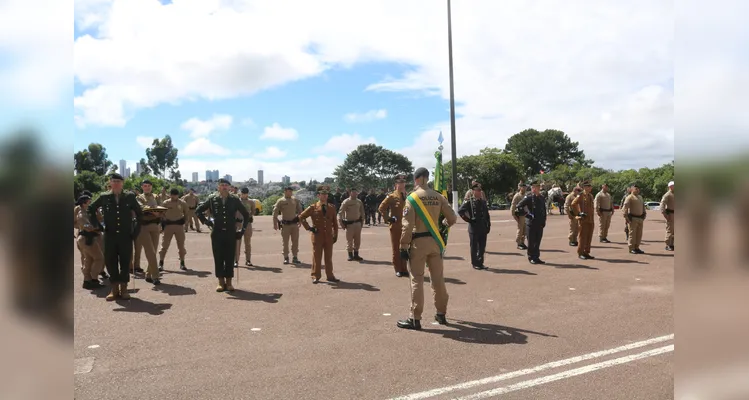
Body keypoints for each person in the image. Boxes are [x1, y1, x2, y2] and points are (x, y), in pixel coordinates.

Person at [396, 167, 457, 330]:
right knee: (438, 279)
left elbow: (407, 226)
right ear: (427, 178)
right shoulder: (438, 196)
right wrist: (443, 225)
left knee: (417, 279)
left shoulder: (412, 198)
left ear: (416, 179)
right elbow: (452, 218)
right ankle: (441, 313)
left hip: (418, 243)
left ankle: (415, 318)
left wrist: (403, 245)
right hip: (435, 242)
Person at [87, 173, 143, 300]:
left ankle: (124, 289)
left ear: (122, 183)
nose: (116, 183)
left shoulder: (129, 197)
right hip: (110, 235)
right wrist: (98, 225)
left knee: (125, 262)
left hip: (125, 235)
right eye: (114, 181)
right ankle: (114, 289)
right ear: (110, 183)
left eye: (118, 181)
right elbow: (91, 208)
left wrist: (136, 232)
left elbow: (140, 214)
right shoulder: (104, 196)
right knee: (111, 262)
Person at [195, 178, 251, 292]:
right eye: (222, 185)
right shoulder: (212, 199)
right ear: (218, 187)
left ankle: (229, 281)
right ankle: (220, 281)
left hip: (231, 232)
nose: (224, 187)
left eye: (226, 185)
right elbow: (198, 210)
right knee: (218, 257)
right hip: (217, 232)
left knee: (230, 257)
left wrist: (242, 230)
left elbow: (246, 215)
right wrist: (206, 222)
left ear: (230, 188)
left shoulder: (234, 200)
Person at [298, 185, 340, 284]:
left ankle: (330, 276)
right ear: (318, 195)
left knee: (328, 257)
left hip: (328, 236)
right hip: (317, 236)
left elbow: (335, 223)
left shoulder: (332, 208)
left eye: (326, 194)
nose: (325, 196)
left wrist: (335, 235)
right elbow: (301, 216)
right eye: (322, 194)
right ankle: (315, 276)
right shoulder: (313, 207)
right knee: (317, 257)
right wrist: (309, 228)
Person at [378, 174, 410, 277]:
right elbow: (381, 208)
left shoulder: (408, 196)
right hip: (396, 226)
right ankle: (397, 269)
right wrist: (388, 219)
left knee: (405, 248)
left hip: (406, 226)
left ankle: (404, 268)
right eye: (399, 182)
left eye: (403, 182)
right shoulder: (392, 196)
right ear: (396, 184)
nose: (402, 184)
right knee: (396, 248)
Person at [75, 195, 105, 289]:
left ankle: (87, 281)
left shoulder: (90, 212)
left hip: (91, 238)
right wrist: (98, 227)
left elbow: (100, 219)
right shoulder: (81, 213)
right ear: (84, 204)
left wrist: (97, 211)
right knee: (99, 258)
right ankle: (94, 279)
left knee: (89, 259)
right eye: (89, 202)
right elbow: (87, 226)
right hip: (86, 238)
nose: (91, 203)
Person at [458, 182, 491, 269]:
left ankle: (480, 262)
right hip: (474, 228)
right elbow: (460, 211)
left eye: (480, 190)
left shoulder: (483, 202)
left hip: (483, 227)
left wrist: (488, 225)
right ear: (473, 191)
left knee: (482, 247)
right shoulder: (469, 202)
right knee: (474, 247)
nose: (479, 192)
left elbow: (487, 215)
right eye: (477, 190)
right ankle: (475, 263)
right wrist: (469, 220)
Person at [158, 188, 189, 275]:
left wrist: (186, 223)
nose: (174, 196)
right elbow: (161, 214)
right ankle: (161, 263)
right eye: (172, 194)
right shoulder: (166, 203)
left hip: (179, 226)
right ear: (170, 194)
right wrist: (161, 225)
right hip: (168, 226)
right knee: (164, 245)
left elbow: (186, 213)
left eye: (175, 195)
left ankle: (182, 263)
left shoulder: (182, 203)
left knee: (181, 246)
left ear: (178, 195)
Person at [516, 181, 547, 265]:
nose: (536, 189)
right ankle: (531, 257)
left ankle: (536, 257)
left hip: (539, 223)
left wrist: (544, 220)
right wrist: (527, 214)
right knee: (531, 242)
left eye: (538, 187)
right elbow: (519, 206)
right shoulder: (529, 197)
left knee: (538, 242)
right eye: (535, 187)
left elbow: (543, 210)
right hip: (531, 223)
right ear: (532, 188)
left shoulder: (541, 197)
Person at [135, 180, 162, 278]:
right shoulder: (139, 197)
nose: (147, 187)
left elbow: (161, 207)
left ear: (151, 187)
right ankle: (155, 276)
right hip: (144, 227)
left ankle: (149, 274)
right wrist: (154, 211)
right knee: (150, 251)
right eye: (145, 186)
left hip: (155, 226)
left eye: (149, 186)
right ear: (142, 187)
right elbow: (141, 207)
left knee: (154, 251)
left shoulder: (156, 197)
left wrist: (158, 212)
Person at [272, 186, 303, 264]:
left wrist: (300, 220)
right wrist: (275, 223)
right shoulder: (280, 201)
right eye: (289, 191)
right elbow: (275, 212)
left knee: (295, 241)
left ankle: (295, 257)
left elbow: (300, 211)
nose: (290, 193)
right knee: (285, 242)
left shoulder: (295, 200)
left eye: (291, 191)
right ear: (285, 191)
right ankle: (286, 257)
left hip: (294, 224)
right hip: (285, 225)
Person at [337, 187, 365, 261]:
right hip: (349, 224)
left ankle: (356, 254)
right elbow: (340, 212)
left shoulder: (359, 202)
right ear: (350, 193)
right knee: (349, 240)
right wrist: (341, 222)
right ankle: (350, 255)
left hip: (357, 223)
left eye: (356, 192)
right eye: (353, 192)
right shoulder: (346, 202)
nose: (355, 194)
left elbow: (362, 212)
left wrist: (362, 222)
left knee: (357, 240)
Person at [571, 180, 595, 259]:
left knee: (589, 237)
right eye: (588, 186)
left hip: (591, 219)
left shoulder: (590, 196)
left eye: (590, 186)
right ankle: (580, 252)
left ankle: (586, 252)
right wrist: (578, 213)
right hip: (584, 219)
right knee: (582, 237)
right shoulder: (581, 195)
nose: (590, 188)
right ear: (584, 187)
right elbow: (573, 204)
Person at [622, 182, 647, 254]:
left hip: (640, 218)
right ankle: (631, 248)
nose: (637, 190)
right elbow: (625, 207)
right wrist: (626, 217)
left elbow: (643, 207)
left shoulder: (640, 197)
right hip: (633, 218)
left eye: (638, 189)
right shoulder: (629, 197)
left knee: (639, 234)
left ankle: (637, 247)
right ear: (631, 189)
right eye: (636, 189)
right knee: (632, 234)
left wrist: (644, 213)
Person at [235, 187, 256, 266]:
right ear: (240, 193)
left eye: (246, 193)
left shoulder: (251, 202)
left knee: (247, 243)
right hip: (238, 223)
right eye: (243, 193)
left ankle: (248, 260)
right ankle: (236, 260)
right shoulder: (236, 201)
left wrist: (248, 216)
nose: (244, 195)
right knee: (237, 243)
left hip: (247, 224)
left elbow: (253, 211)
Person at [511, 182, 528, 250]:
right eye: (523, 187)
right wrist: (513, 215)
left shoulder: (526, 195)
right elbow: (513, 205)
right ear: (520, 187)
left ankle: (522, 242)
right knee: (520, 229)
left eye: (525, 187)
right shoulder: (517, 196)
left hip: (526, 214)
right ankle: (518, 243)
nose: (524, 188)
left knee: (525, 230)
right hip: (520, 215)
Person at [660, 181, 675, 251]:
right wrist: (665, 214)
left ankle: (672, 244)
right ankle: (668, 244)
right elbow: (662, 204)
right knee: (669, 230)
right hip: (670, 214)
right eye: (673, 185)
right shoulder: (667, 195)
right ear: (670, 187)